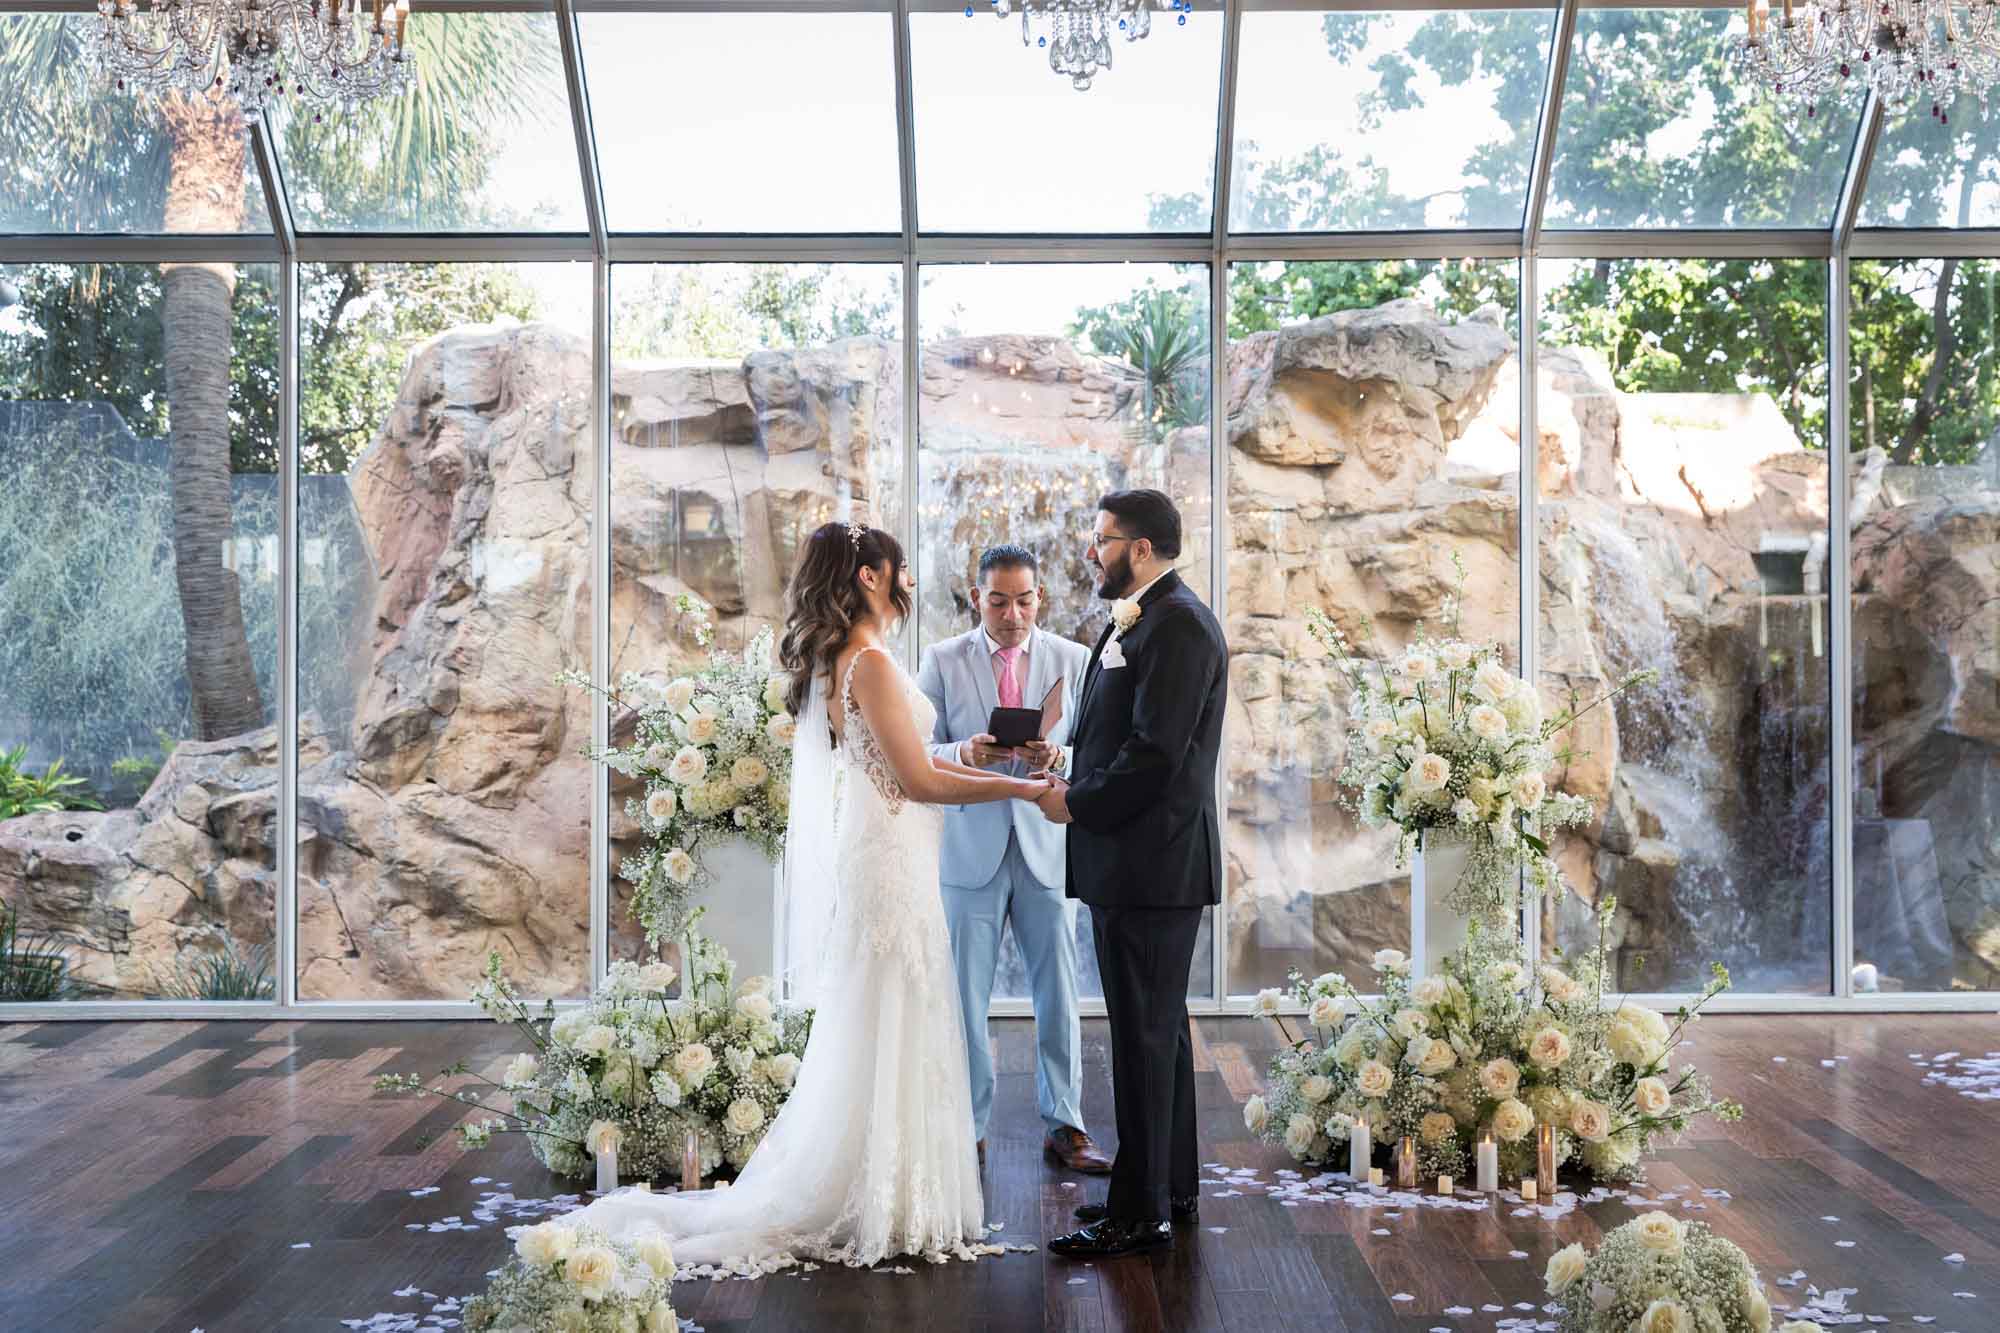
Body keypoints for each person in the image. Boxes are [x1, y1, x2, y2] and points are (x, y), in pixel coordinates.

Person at [561, 521, 1049, 1269]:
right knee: (893, 1011)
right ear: (869, 578)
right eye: (902, 570)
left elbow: (901, 764)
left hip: (890, 853)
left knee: (883, 1016)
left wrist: (972, 761)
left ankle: (891, 1188)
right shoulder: (873, 663)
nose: (912, 580)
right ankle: (887, 1197)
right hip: (892, 861)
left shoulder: (843, 661)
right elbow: (917, 782)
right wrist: (1025, 786)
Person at [1033, 489, 1228, 1259]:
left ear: (1140, 548)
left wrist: (1074, 803)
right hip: (1145, 866)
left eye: (1103, 538)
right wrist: (1067, 755)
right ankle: (1169, 1188)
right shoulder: (1151, 616)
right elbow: (1127, 731)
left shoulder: (1176, 625)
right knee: (1159, 1035)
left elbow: (1155, 757)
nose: (1092, 550)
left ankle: (1136, 1213)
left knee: (1143, 1038)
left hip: (1152, 867)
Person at [915, 544, 1109, 1176]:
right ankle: (967, 1127)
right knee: (964, 997)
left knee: (1059, 990)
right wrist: (962, 751)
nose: (1012, 614)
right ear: (977, 598)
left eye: (1024, 600)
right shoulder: (943, 659)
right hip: (969, 848)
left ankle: (1067, 1125)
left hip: (1045, 845)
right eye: (998, 600)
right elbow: (916, 749)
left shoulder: (1074, 660)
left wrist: (1062, 760)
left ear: (1039, 599)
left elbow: (1096, 752)